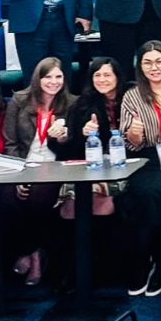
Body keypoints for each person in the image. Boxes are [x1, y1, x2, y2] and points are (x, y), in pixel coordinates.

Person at [117, 40, 161, 298]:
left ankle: (159, 264)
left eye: (159, 61)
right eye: (147, 62)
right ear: (140, 67)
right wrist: (134, 135)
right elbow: (129, 143)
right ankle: (152, 261)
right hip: (145, 157)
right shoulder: (132, 96)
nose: (154, 67)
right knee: (146, 194)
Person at [0, 57, 75, 286]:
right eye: (48, 77)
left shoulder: (72, 104)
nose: (53, 82)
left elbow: (73, 146)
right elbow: (10, 142)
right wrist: (20, 175)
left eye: (58, 77)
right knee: (6, 198)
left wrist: (63, 138)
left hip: (55, 168)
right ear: (37, 78)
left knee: (38, 197)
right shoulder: (20, 100)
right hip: (23, 165)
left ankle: (30, 253)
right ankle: (33, 251)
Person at [62, 56, 125, 287]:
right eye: (97, 75)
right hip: (88, 166)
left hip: (122, 167)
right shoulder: (81, 105)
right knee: (72, 204)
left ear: (118, 77)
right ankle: (77, 269)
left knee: (102, 201)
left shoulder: (131, 99)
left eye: (107, 74)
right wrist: (83, 134)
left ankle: (102, 268)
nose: (102, 79)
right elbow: (70, 150)